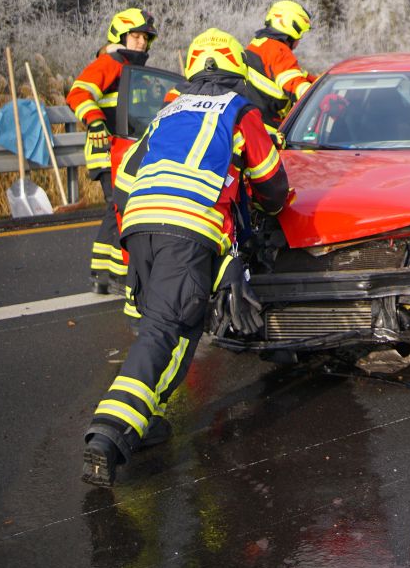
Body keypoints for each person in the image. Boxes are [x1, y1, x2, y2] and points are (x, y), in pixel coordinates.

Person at [81, 29, 289, 487]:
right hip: (188, 230)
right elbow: (272, 182)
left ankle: (143, 420)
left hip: (140, 226)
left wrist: (129, 234)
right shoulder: (240, 110)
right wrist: (265, 211)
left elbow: (125, 177)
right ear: (237, 71)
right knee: (168, 332)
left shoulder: (167, 111)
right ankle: (109, 434)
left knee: (163, 327)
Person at [66, 8, 158, 295]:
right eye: (135, 36)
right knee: (123, 209)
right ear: (120, 36)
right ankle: (119, 275)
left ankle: (103, 274)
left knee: (115, 209)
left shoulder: (134, 70)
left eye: (145, 37)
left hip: (126, 152)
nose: (141, 42)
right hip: (109, 152)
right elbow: (78, 93)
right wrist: (94, 121)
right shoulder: (111, 62)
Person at [246, 0, 315, 116]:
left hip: (253, 120)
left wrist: (322, 82)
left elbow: (293, 74)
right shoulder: (278, 50)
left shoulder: (258, 44)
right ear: (292, 28)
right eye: (300, 36)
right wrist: (321, 100)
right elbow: (296, 85)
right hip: (269, 127)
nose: (299, 41)